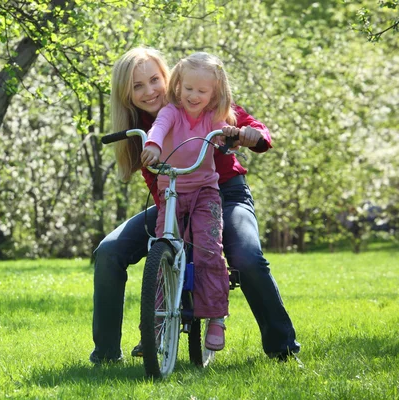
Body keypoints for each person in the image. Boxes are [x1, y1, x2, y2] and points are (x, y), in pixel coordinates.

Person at [90, 47, 300, 364]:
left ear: (168, 78)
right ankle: (106, 354)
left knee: (246, 255)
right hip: (174, 200)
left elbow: (255, 128)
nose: (149, 91)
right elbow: (158, 188)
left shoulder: (200, 101)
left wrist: (246, 135)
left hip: (226, 194)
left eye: (154, 80)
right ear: (126, 94)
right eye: (137, 86)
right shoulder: (138, 128)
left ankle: (282, 348)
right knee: (108, 251)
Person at [140, 51, 237, 351]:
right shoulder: (170, 111)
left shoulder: (213, 117)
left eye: (202, 91)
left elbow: (224, 136)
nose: (194, 96)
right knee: (161, 251)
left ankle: (216, 317)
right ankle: (154, 324)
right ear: (178, 85)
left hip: (204, 192)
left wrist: (228, 138)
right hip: (171, 191)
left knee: (209, 250)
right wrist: (153, 146)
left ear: (215, 93)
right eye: (188, 88)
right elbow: (157, 128)